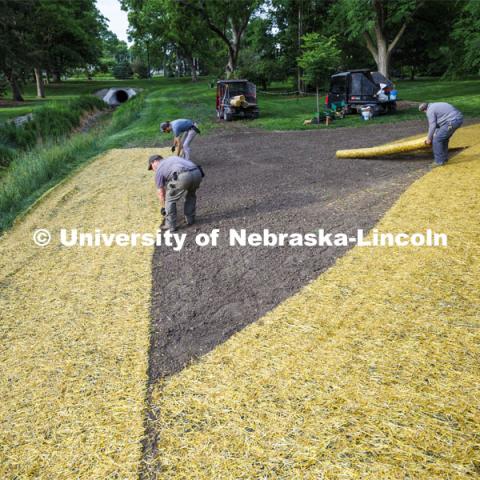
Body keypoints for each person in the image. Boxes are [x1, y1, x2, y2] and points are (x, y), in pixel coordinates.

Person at [148, 154, 203, 231]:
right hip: (197, 172)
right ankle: (190, 219)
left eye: (151, 167)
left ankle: (170, 225)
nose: (153, 170)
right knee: (191, 195)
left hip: (184, 175)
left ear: (155, 161)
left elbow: (161, 192)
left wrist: (164, 207)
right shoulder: (173, 158)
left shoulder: (159, 169)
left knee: (170, 200)